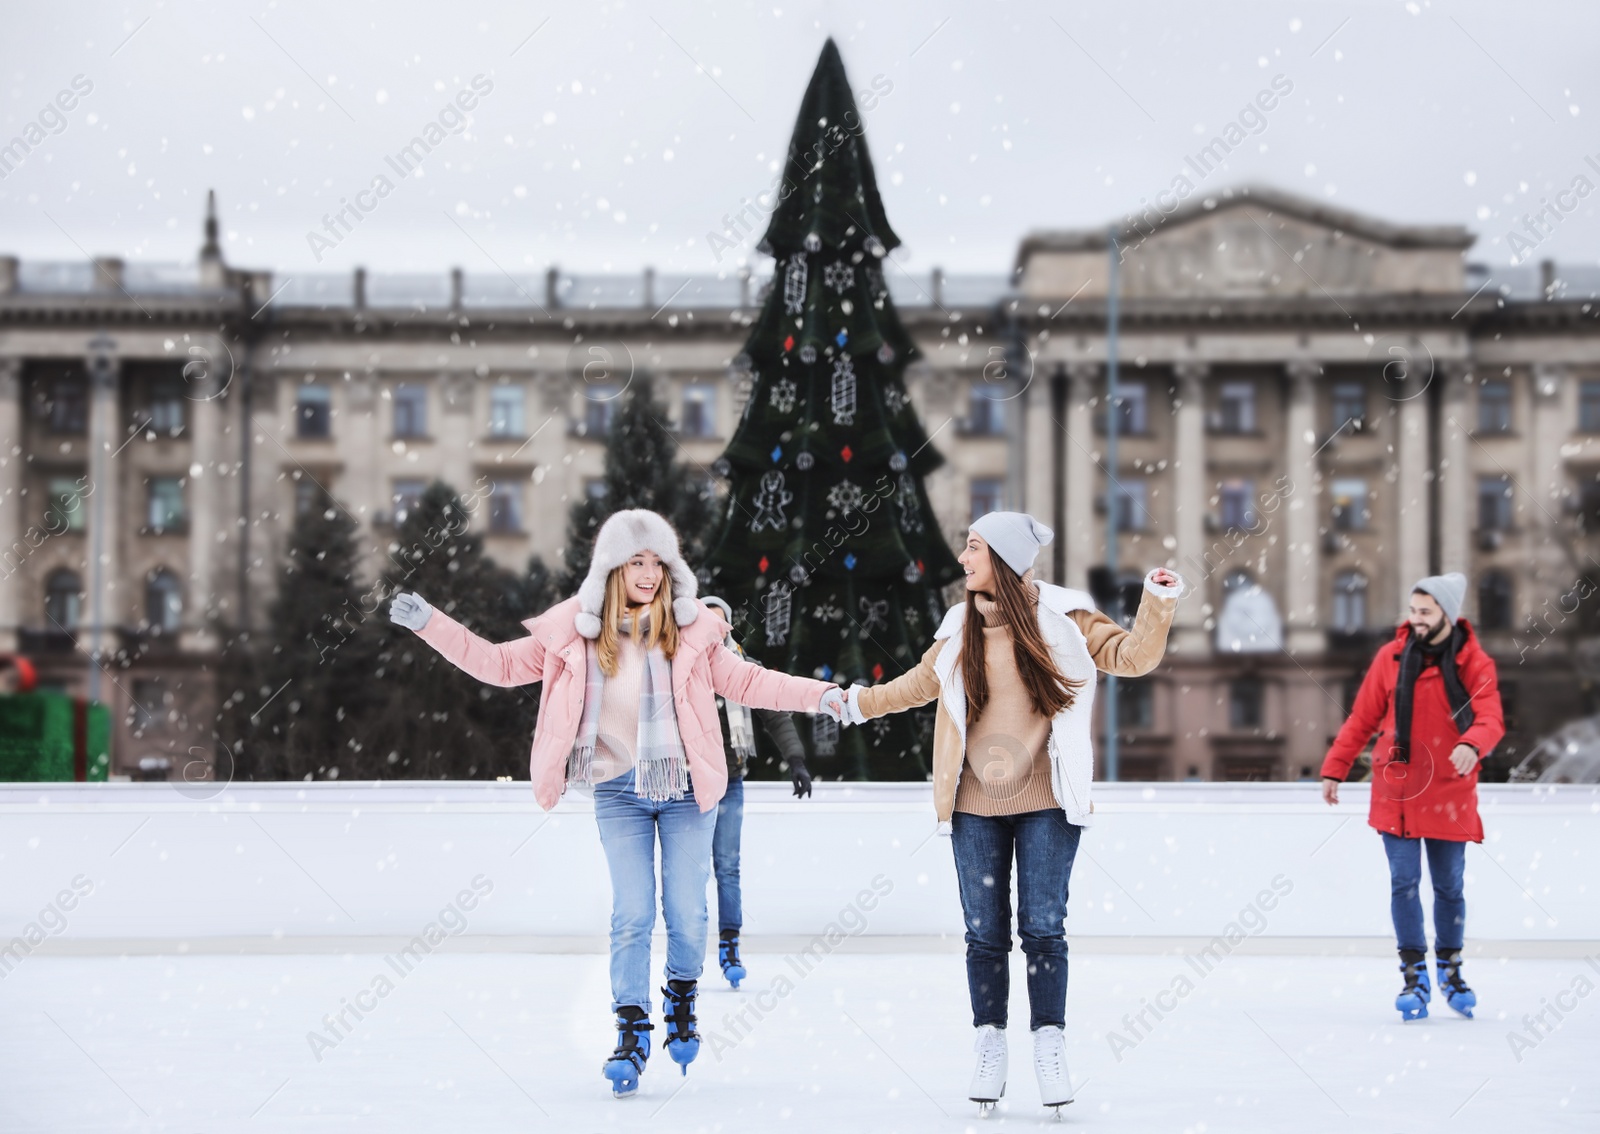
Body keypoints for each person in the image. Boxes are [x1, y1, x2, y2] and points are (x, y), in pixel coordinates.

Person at [389, 510, 844, 1098]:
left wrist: (824, 696)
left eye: (658, 562)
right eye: (637, 562)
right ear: (611, 568)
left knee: (687, 914)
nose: (649, 573)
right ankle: (631, 1030)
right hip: (618, 791)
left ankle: (680, 996)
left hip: (685, 790)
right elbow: (498, 664)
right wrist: (432, 624)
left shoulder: (694, 631)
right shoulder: (574, 635)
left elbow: (754, 684)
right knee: (632, 913)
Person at [840, 512, 1182, 1116]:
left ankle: (1049, 1043)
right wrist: (856, 704)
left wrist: (1156, 601)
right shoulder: (958, 626)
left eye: (973, 547)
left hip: (1047, 801)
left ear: (1001, 556)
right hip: (973, 804)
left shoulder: (1066, 618)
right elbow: (916, 685)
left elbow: (1133, 658)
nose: (963, 559)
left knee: (1044, 926)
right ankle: (989, 1042)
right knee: (984, 933)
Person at [1320, 572, 1504, 1022]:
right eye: (1413, 611)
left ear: (1447, 613)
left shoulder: (1474, 663)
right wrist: (1335, 768)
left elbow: (1492, 717)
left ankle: (1451, 970)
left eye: (1425, 612)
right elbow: (1362, 718)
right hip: (1397, 789)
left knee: (1449, 887)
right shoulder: (1392, 656)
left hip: (1449, 790)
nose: (1416, 620)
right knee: (1404, 885)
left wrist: (1471, 743)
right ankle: (1414, 977)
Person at [701, 595, 812, 990]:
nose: (713, 630)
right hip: (687, 786)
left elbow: (776, 712)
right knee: (691, 872)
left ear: (728, 627)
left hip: (730, 782)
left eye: (720, 623)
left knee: (727, 866)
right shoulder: (681, 668)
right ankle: (689, 954)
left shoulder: (745, 668)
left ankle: (730, 946)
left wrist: (796, 760)